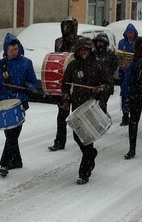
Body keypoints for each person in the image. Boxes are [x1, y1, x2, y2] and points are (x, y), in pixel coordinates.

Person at [0, 33, 38, 177]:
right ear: (6, 49)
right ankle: (16, 161)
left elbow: (33, 82)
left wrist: (28, 87)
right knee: (10, 134)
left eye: (16, 49)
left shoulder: (26, 63)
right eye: (11, 50)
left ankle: (4, 163)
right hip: (3, 104)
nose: (14, 52)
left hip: (19, 104)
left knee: (12, 135)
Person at [60, 37, 111, 185]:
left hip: (92, 105)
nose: (83, 52)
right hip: (77, 104)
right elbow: (65, 84)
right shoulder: (73, 66)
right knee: (78, 137)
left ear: (90, 50)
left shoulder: (99, 65)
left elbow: (109, 84)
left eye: (86, 49)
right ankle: (91, 155)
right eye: (81, 50)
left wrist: (100, 89)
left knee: (87, 137)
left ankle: (84, 172)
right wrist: (65, 99)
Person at [48, 17, 81, 152]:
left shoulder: (80, 41)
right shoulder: (58, 41)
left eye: (68, 26)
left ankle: (82, 140)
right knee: (62, 114)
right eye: (64, 26)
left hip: (78, 81)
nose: (66, 29)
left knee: (78, 114)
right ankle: (60, 142)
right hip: (65, 82)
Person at [93, 33, 119, 114]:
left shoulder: (110, 54)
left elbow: (115, 66)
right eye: (98, 42)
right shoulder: (93, 53)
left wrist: (107, 73)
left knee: (102, 104)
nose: (100, 44)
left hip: (106, 82)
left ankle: (103, 118)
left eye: (102, 42)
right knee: (95, 104)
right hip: (94, 82)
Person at [118, 23, 139, 126]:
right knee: (124, 94)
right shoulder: (122, 43)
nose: (129, 34)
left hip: (134, 72)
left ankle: (133, 115)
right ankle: (125, 115)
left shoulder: (137, 42)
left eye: (131, 32)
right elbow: (119, 55)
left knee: (133, 94)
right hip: (124, 71)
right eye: (128, 32)